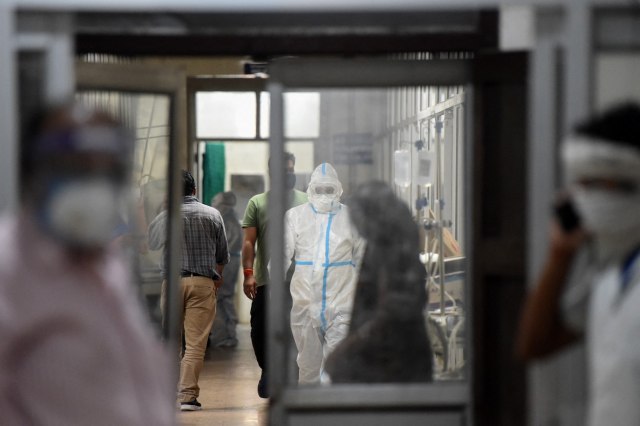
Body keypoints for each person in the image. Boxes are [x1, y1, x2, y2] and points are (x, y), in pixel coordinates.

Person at [0, 102, 173, 425]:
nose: (92, 186)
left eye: (106, 171)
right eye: (73, 168)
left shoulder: (106, 263)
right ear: (31, 171)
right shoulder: (9, 269)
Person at [517, 103, 640, 426]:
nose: (581, 198)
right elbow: (534, 343)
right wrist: (560, 256)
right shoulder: (611, 276)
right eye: (580, 184)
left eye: (594, 184)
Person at [325, 181, 432, 383]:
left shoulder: (396, 252)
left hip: (398, 366)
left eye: (358, 218)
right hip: (388, 361)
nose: (356, 225)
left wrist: (348, 349)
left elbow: (393, 315)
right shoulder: (379, 244)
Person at [148, 169, 229, 411]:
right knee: (195, 344)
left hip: (172, 282)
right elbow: (222, 255)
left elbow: (151, 243)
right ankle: (187, 397)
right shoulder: (213, 214)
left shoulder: (166, 216)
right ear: (195, 190)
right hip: (202, 283)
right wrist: (216, 278)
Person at [284, 162, 364, 384]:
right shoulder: (295, 216)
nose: (324, 194)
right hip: (304, 301)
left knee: (336, 363)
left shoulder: (352, 217)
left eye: (329, 189)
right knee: (307, 363)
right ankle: (308, 404)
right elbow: (282, 253)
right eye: (319, 189)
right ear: (310, 189)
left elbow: (362, 256)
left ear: (338, 189)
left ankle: (331, 403)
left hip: (341, 301)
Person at [242, 152, 307, 398]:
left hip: (299, 281)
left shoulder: (306, 201)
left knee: (297, 330)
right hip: (266, 280)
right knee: (260, 329)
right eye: (284, 170)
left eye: (291, 169)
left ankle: (292, 377)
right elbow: (249, 242)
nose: (289, 174)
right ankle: (268, 369)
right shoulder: (257, 202)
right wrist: (248, 273)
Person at [209, 191, 242, 348]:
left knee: (224, 296)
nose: (213, 205)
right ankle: (226, 334)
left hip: (227, 263)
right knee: (223, 296)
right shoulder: (229, 217)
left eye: (216, 202)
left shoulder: (228, 220)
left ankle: (229, 335)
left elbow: (225, 245)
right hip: (228, 261)